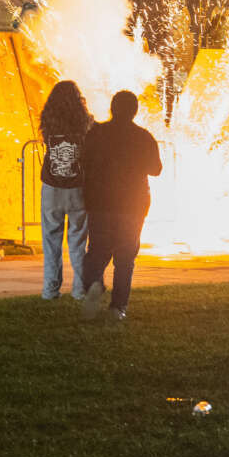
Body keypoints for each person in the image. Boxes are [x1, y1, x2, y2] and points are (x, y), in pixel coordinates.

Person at [80, 90, 162, 320]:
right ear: (135, 111)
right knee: (125, 258)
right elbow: (156, 169)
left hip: (101, 203)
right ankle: (118, 308)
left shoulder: (96, 133)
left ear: (112, 108)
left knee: (97, 251)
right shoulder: (143, 137)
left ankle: (94, 285)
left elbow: (82, 161)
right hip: (133, 205)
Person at [38, 81, 93, 300]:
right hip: (77, 187)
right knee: (78, 241)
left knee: (51, 241)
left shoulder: (48, 121)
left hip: (52, 188)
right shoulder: (85, 122)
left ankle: (50, 290)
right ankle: (80, 289)